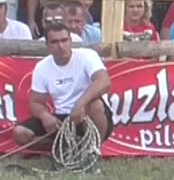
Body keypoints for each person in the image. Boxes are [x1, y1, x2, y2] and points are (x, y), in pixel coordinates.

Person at [12, 18, 114, 149]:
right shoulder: (42, 66)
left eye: (64, 40)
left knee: (96, 104)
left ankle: (93, 150)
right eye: (54, 42)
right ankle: (66, 148)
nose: (61, 46)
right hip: (62, 118)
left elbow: (104, 81)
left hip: (88, 113)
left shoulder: (87, 55)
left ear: (71, 41)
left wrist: (80, 105)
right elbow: (35, 102)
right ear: (47, 45)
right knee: (20, 133)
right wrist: (45, 116)